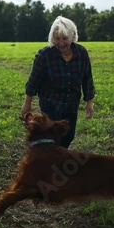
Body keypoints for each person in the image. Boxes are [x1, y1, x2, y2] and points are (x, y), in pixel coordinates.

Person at [21, 16, 95, 148]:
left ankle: (59, 157)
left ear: (73, 36)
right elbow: (34, 80)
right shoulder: (45, 55)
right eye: (57, 39)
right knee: (51, 137)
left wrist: (89, 102)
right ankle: (51, 162)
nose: (61, 43)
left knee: (68, 135)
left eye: (65, 38)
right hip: (51, 103)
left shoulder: (82, 53)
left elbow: (87, 78)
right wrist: (27, 103)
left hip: (71, 104)